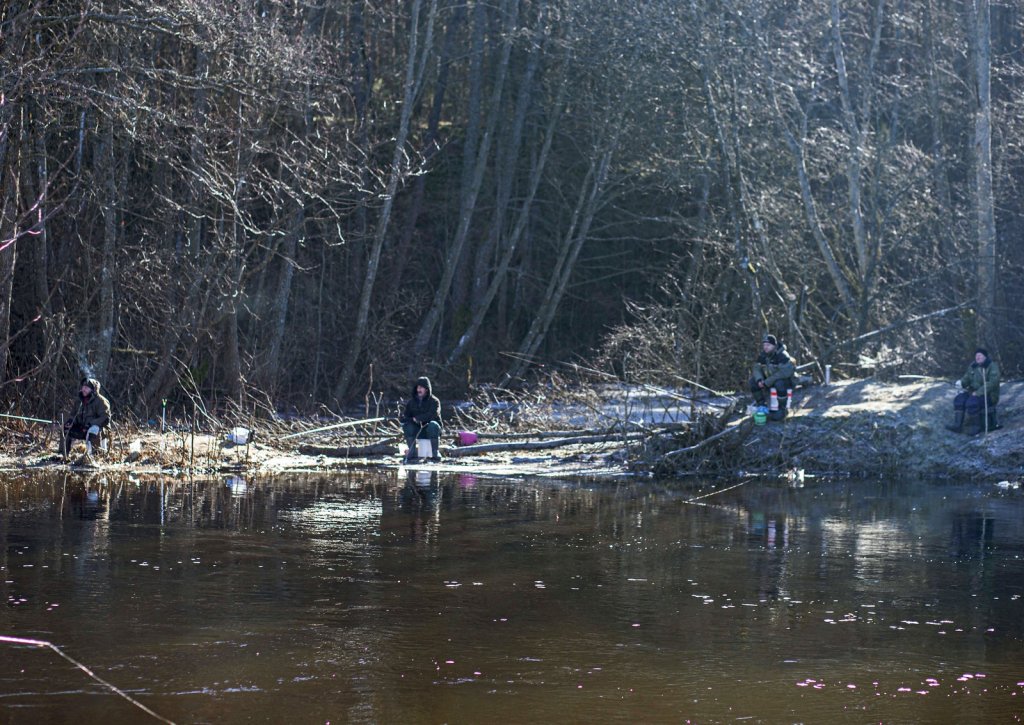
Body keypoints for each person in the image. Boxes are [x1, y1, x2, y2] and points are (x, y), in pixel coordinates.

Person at [946, 348, 1000, 435]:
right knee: (959, 399)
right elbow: (966, 378)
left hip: (989, 395)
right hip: (972, 392)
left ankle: (976, 427)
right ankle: (957, 425)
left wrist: (979, 392)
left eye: (980, 355)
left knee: (972, 403)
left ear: (985, 357)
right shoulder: (973, 366)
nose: (977, 357)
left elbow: (993, 382)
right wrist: (961, 383)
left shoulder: (992, 366)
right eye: (976, 355)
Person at [749, 334, 796, 421]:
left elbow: (784, 373)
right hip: (769, 380)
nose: (765, 347)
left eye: (768, 345)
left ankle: (783, 409)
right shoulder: (763, 355)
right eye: (764, 345)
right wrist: (760, 380)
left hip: (786, 380)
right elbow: (756, 368)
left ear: (774, 345)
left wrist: (767, 382)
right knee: (753, 381)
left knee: (780, 383)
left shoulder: (782, 355)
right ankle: (762, 406)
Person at [62, 377, 112, 459]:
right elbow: (74, 415)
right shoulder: (79, 401)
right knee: (65, 429)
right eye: (83, 387)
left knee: (93, 430)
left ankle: (94, 456)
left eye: (87, 388)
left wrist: (90, 425)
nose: (84, 389)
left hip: (101, 430)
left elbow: (105, 418)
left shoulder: (101, 401)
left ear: (93, 390)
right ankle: (63, 455)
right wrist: (71, 422)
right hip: (83, 428)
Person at [401, 376, 442, 462]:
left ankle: (435, 453)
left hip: (431, 431)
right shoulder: (411, 402)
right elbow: (407, 416)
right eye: (418, 387)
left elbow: (433, 414)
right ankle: (411, 452)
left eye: (421, 388)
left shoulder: (435, 401)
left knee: (433, 425)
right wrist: (402, 418)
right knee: (407, 426)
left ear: (426, 389)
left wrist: (419, 418)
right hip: (418, 431)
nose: (418, 390)